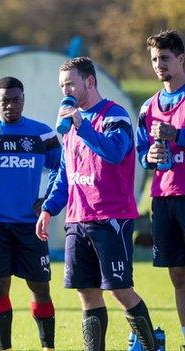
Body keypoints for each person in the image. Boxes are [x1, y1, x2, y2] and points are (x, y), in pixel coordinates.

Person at [36, 57, 159, 351]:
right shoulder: (67, 127)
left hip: (110, 218)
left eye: (70, 83)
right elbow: (65, 174)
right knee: (86, 292)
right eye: (62, 85)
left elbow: (115, 153)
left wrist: (83, 126)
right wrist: (49, 208)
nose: (65, 90)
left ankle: (154, 346)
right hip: (77, 219)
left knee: (119, 289)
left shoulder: (115, 116)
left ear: (89, 82)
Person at [0, 76, 60, 351]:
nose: (11, 105)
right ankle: (5, 347)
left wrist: (47, 198)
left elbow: (61, 168)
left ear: (23, 100)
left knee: (40, 287)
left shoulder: (42, 134)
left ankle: (48, 346)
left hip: (31, 225)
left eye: (16, 99)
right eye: (5, 100)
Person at [137, 29, 185, 351]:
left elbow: (176, 137)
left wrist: (177, 136)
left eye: (165, 58)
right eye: (155, 59)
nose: (159, 65)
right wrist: (149, 157)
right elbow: (142, 154)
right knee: (177, 275)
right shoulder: (147, 107)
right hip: (164, 198)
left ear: (181, 59)